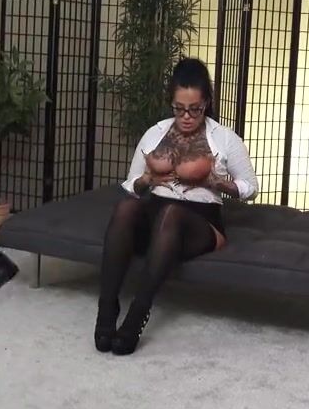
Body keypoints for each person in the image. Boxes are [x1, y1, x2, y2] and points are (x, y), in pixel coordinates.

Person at [95, 58, 258, 356]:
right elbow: (131, 185)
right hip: (156, 211)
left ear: (206, 103)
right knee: (126, 208)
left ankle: (137, 314)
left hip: (200, 221)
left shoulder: (225, 139)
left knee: (172, 214)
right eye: (179, 108)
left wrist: (218, 183)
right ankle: (107, 307)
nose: (186, 117)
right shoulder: (155, 133)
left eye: (195, 109)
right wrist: (148, 178)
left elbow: (250, 187)